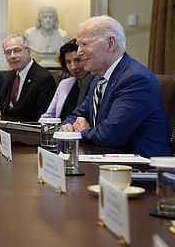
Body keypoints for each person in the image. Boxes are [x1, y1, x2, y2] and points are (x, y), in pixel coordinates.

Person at [60, 16, 170, 157]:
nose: (79, 52)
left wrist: (81, 133)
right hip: (107, 162)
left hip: (141, 171)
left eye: (85, 44)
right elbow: (75, 116)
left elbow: (109, 135)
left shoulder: (135, 79)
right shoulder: (98, 80)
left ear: (110, 43)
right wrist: (68, 127)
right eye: (78, 45)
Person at [0, 34, 56, 121]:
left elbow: (43, 115)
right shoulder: (11, 75)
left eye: (17, 50)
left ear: (29, 51)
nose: (12, 56)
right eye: (8, 52)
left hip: (28, 130)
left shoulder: (43, 78)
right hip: (7, 127)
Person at [41, 39, 93, 120]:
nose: (73, 67)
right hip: (59, 131)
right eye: (68, 62)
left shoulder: (96, 84)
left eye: (77, 60)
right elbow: (49, 115)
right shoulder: (64, 84)